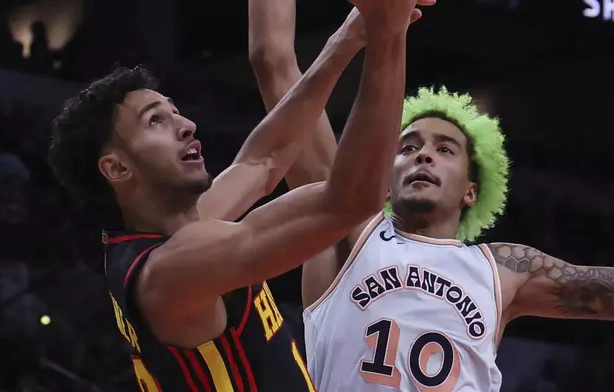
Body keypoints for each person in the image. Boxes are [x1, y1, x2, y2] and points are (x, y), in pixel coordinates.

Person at [48, 0, 431, 390]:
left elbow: (264, 160)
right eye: (156, 121)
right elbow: (352, 200)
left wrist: (347, 40)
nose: (186, 125)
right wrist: (388, 34)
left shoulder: (171, 230)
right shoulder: (171, 272)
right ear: (117, 168)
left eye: (174, 111)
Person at [250, 3, 614, 391]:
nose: (423, 154)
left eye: (445, 150)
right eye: (407, 148)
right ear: (385, 180)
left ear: (472, 190)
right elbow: (273, 61)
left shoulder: (504, 270)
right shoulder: (345, 228)